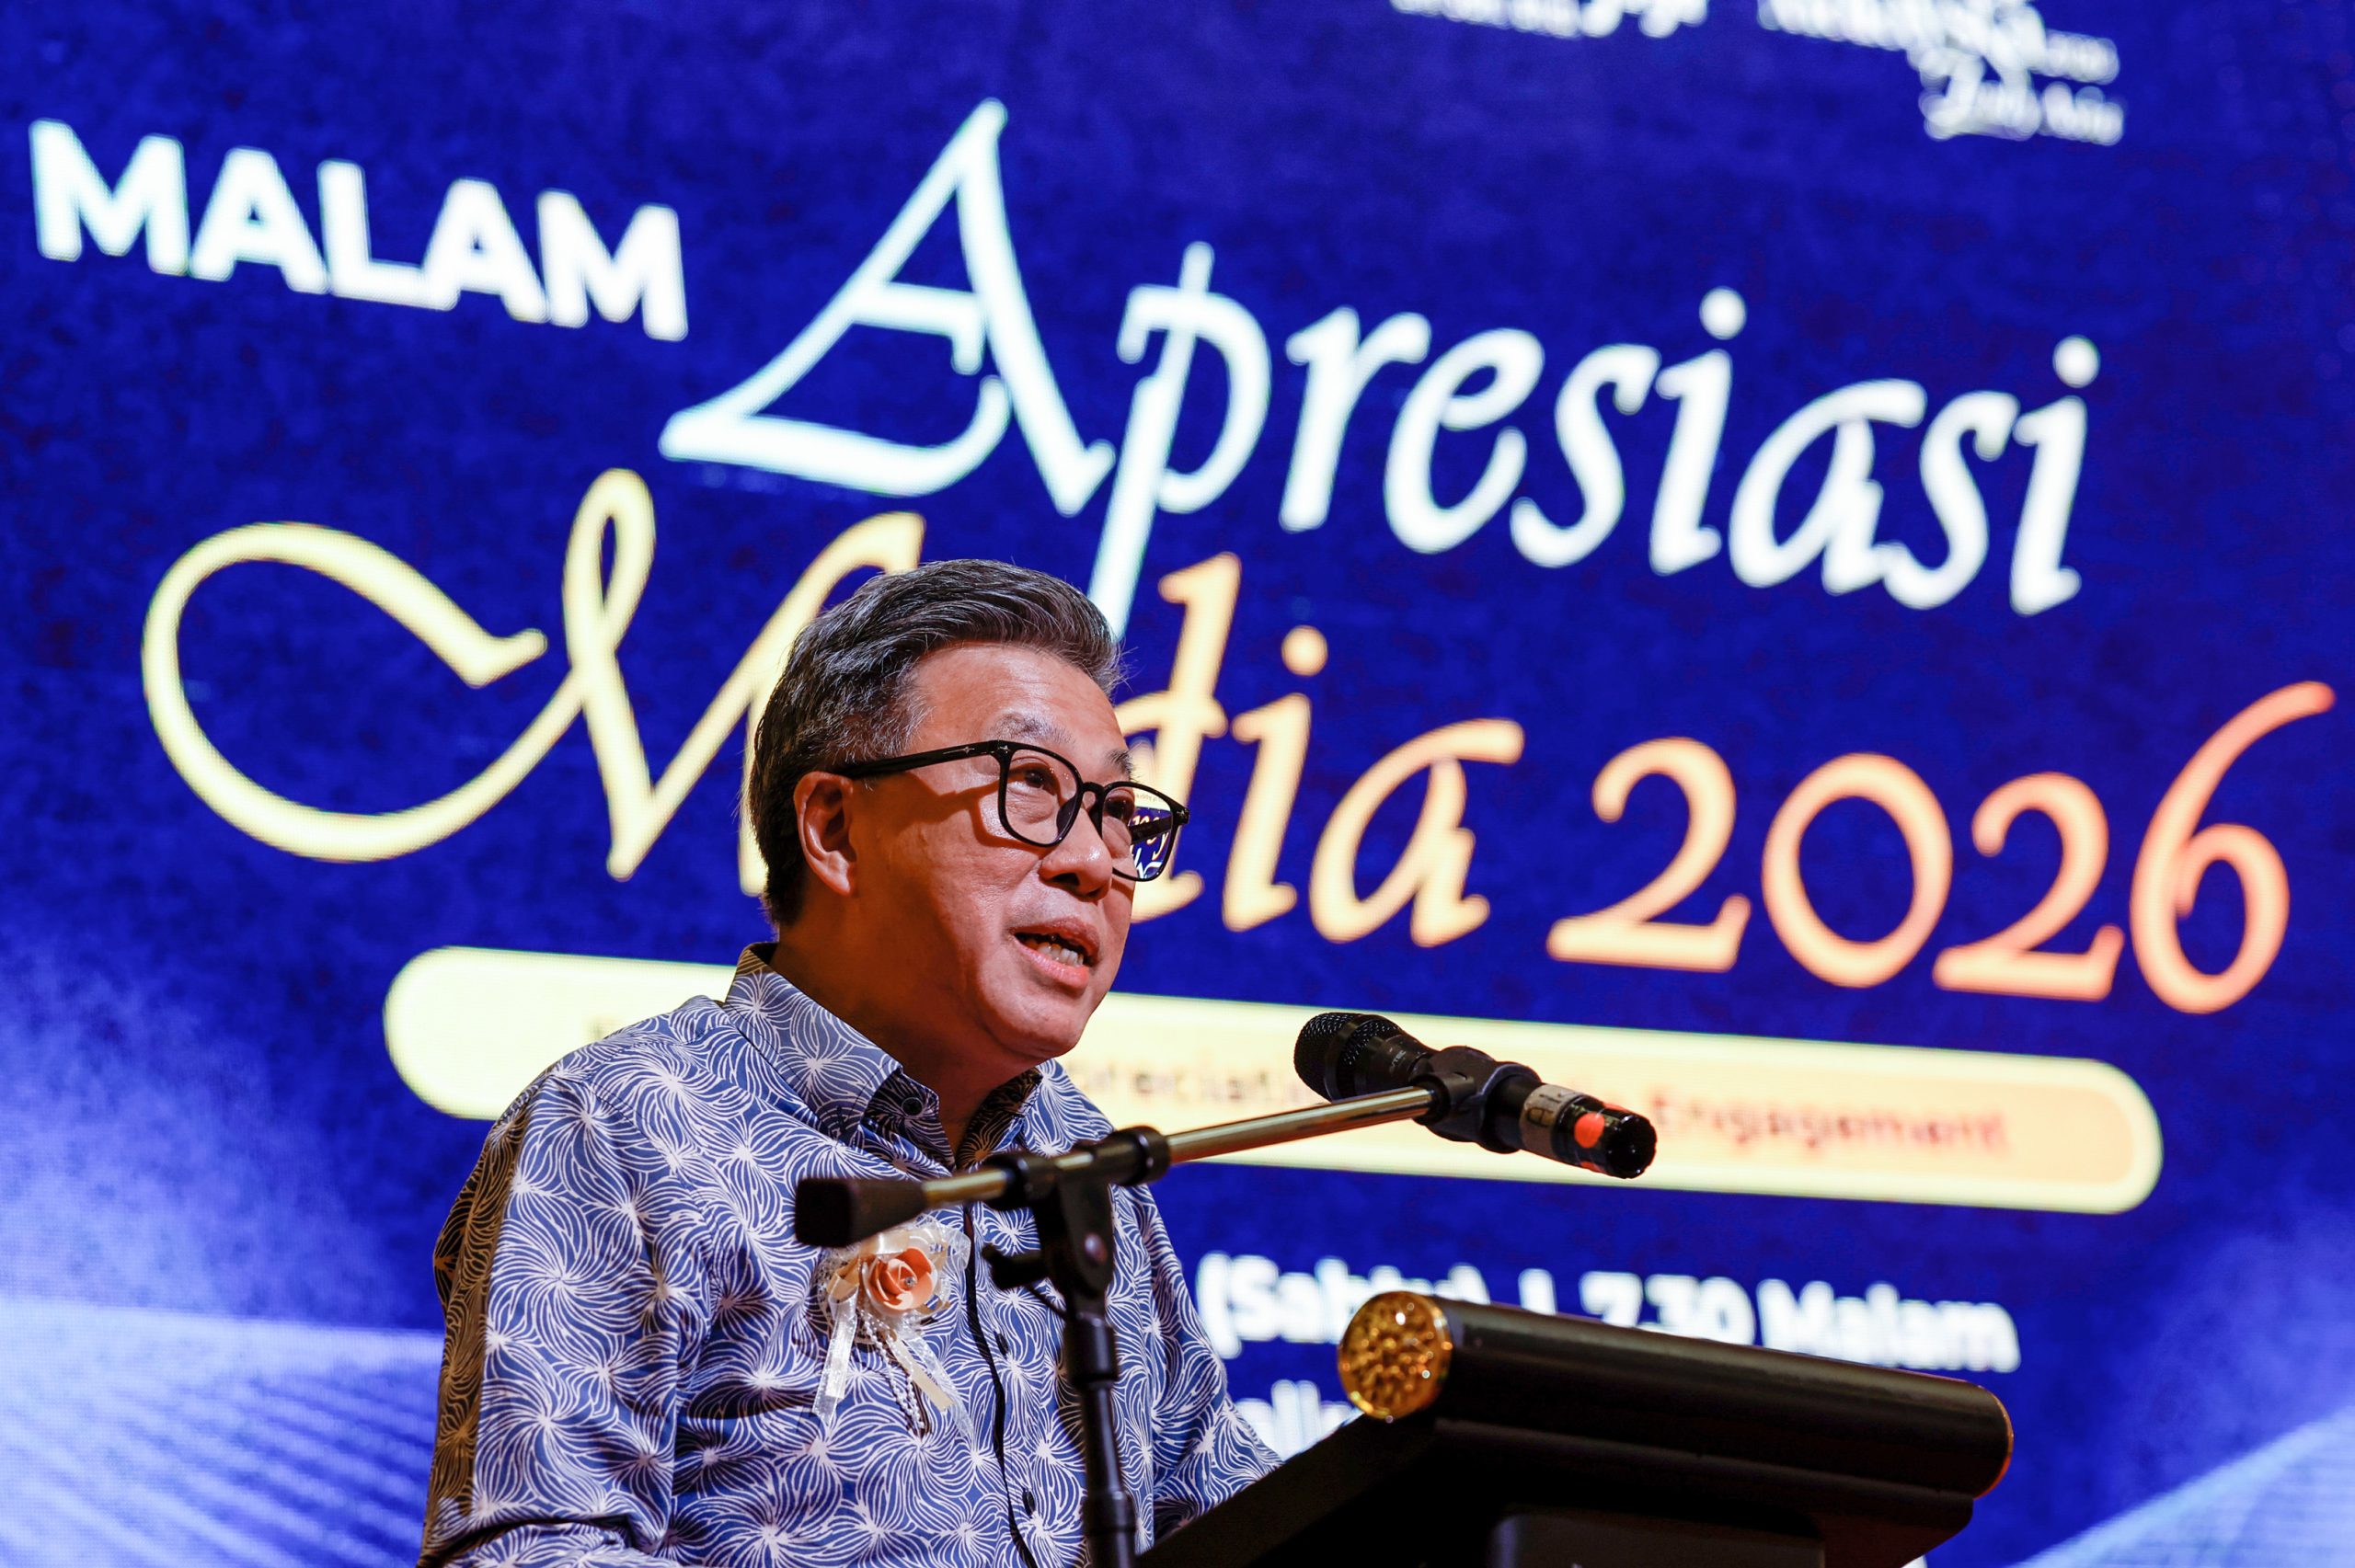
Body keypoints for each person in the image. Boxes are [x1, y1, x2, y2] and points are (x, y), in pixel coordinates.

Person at [419, 560, 1277, 1568]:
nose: (1092, 859)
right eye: (1031, 786)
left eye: (1114, 809)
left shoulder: (1079, 1156)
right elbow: (530, 1551)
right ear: (833, 827)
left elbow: (1231, 1512)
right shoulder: (628, 1124)